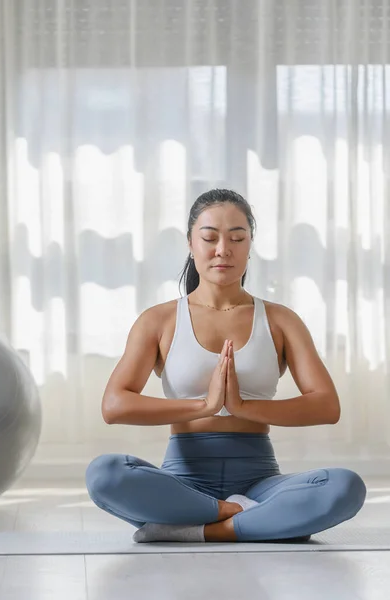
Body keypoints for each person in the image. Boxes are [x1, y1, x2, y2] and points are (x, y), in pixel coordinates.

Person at [85, 188, 366, 544]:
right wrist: (205, 406)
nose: (223, 250)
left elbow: (327, 405)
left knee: (345, 487)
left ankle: (195, 529)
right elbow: (114, 405)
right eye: (209, 238)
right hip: (183, 481)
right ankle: (236, 516)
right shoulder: (159, 320)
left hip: (259, 481)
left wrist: (243, 407)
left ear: (250, 244)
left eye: (237, 237)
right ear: (191, 243)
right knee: (105, 474)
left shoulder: (280, 320)